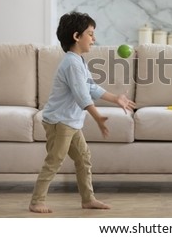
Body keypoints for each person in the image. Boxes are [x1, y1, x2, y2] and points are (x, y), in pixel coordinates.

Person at [29, 12, 136, 213]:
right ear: (76, 36)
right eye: (90, 34)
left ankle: (88, 199)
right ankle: (37, 201)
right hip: (59, 122)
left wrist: (116, 98)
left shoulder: (78, 61)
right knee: (54, 160)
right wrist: (97, 117)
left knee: (83, 158)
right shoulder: (71, 63)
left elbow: (90, 87)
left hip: (70, 122)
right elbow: (81, 95)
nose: (94, 39)